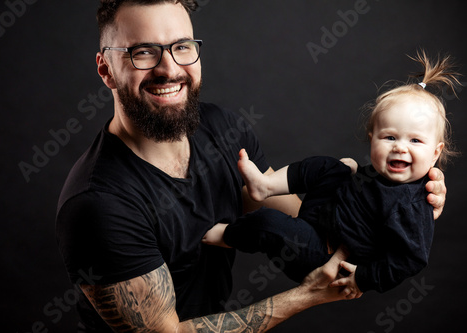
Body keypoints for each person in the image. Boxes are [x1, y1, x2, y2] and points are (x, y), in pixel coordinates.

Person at [55, 1, 447, 332]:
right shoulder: (99, 204)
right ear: (106, 69)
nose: (169, 69)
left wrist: (401, 203)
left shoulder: (223, 129)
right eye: (143, 51)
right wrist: (307, 295)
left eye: (182, 46)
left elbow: (304, 222)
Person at [203, 50, 459, 295]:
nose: (400, 148)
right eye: (389, 137)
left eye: (415, 141)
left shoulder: (413, 206)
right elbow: (370, 193)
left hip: (321, 252)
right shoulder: (382, 174)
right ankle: (265, 186)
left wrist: (363, 278)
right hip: (324, 214)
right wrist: (356, 174)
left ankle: (224, 235)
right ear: (372, 140)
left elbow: (411, 260)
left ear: (436, 153)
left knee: (269, 224)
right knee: (331, 166)